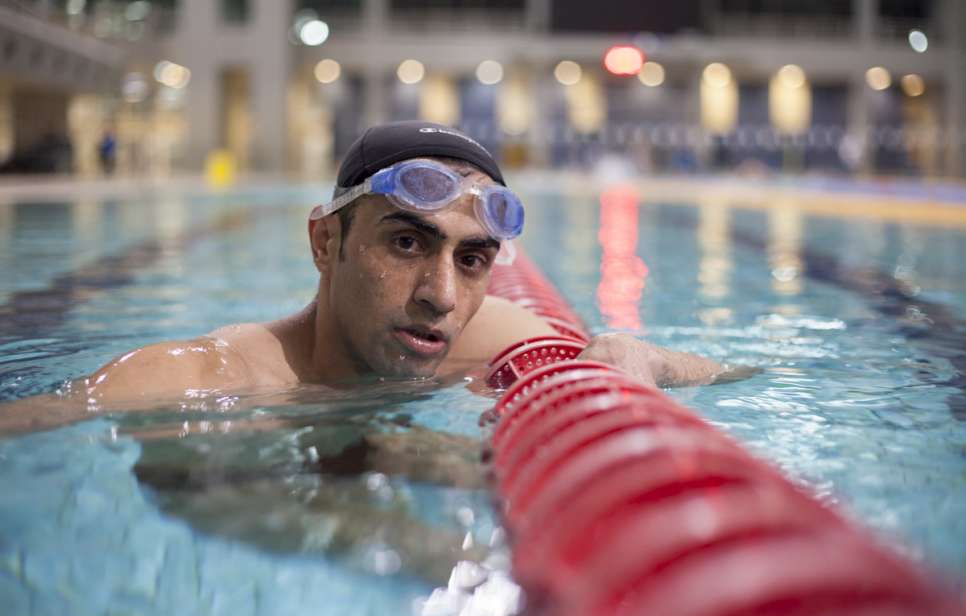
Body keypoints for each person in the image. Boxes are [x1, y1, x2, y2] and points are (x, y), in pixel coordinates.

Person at [0, 121, 727, 436]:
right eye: (407, 242)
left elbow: (742, 372)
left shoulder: (487, 336)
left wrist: (639, 352)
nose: (442, 296)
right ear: (325, 241)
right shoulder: (205, 378)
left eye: (472, 258)